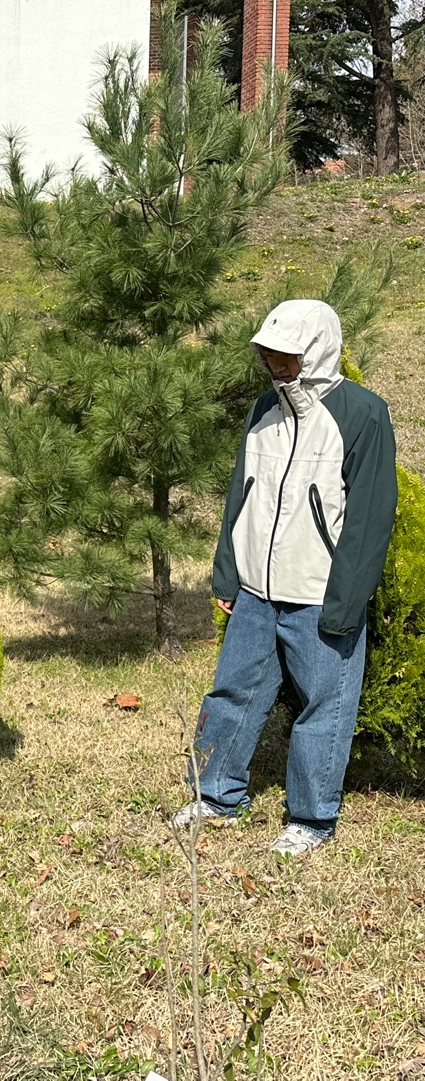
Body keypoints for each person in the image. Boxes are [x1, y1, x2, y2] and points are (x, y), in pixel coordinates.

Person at [174, 299, 397, 857]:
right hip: (256, 591)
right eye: (268, 352)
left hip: (319, 594)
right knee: (231, 694)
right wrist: (228, 573)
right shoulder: (262, 411)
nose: (275, 362)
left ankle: (311, 819)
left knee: (325, 708)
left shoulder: (363, 414)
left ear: (316, 350)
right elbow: (242, 492)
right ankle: (216, 796)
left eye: (287, 353)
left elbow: (370, 516)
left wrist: (346, 601)